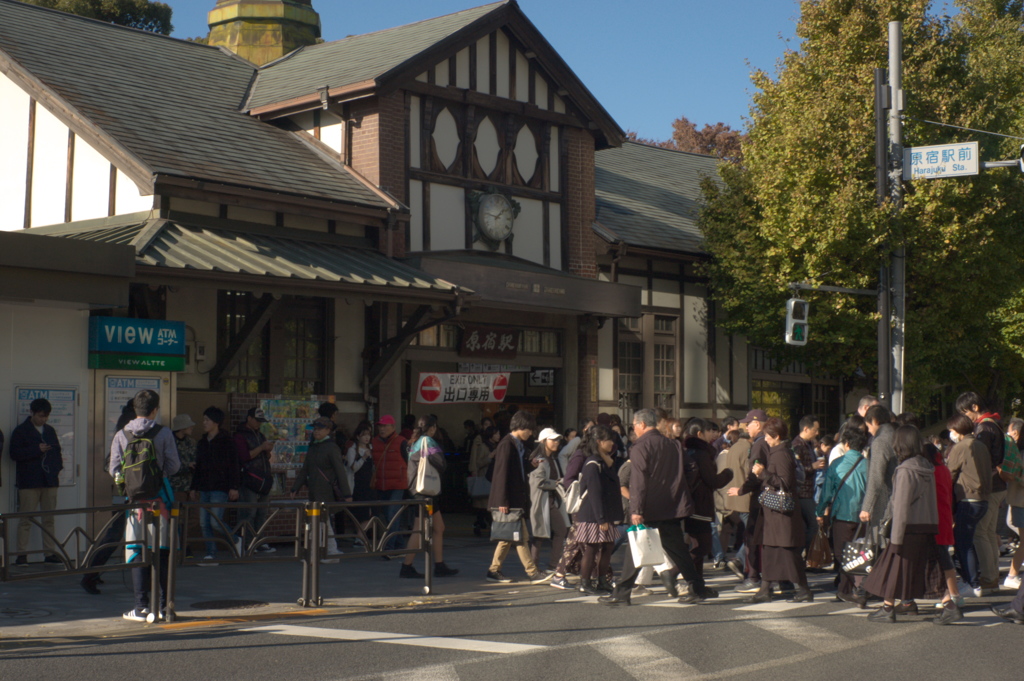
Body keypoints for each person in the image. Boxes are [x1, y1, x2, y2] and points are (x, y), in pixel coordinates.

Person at [600, 408, 713, 606]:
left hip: (649, 506)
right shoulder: (672, 444)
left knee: (636, 548)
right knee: (678, 549)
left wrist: (636, 509)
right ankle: (697, 587)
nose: (634, 429)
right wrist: (680, 487)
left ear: (642, 425)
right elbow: (691, 468)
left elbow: (639, 480)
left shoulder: (640, 446)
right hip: (672, 505)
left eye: (634, 425)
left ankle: (622, 592)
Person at [109, 389, 180, 622]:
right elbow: (174, 465)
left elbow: (114, 469)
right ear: (155, 410)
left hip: (135, 506)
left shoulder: (122, 434)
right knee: (162, 551)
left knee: (137, 551)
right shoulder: (163, 433)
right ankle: (164, 606)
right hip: (161, 502)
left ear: (135, 408)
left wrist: (128, 486)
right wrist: (159, 478)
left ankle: (140, 607)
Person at [863, 425, 938, 622]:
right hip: (926, 525)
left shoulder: (905, 470)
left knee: (892, 568)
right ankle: (905, 603)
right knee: (916, 568)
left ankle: (888, 608)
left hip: (907, 528)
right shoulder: (926, 466)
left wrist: (895, 538)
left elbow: (901, 507)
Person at [737, 417, 811, 603]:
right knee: (770, 551)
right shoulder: (777, 452)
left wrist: (763, 473)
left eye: (768, 436)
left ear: (776, 436)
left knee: (787, 551)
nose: (766, 439)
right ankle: (765, 589)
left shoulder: (781, 454)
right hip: (774, 513)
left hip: (781, 514)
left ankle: (802, 589)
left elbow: (785, 483)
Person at [486, 410, 549, 584]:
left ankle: (493, 570)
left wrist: (531, 465)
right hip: (509, 500)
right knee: (520, 537)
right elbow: (501, 474)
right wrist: (502, 501)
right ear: (521, 427)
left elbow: (515, 472)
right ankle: (532, 572)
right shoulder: (507, 445)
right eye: (529, 429)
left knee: (509, 537)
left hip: (513, 499)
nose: (530, 433)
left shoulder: (515, 445)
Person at [80, 400, 135, 593]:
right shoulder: (131, 426)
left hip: (120, 490)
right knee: (115, 534)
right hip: (127, 492)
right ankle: (90, 575)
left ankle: (93, 572)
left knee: (115, 533)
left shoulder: (123, 424)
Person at [955, 392, 1006, 595]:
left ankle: (988, 577)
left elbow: (980, 461)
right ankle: (991, 576)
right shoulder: (994, 424)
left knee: (981, 534)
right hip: (997, 486)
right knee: (989, 533)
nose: (966, 417)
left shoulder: (983, 428)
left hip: (989, 487)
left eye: (966, 412)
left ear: (975, 407)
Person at [816, 416, 868, 605]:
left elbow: (826, 493)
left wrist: (820, 511)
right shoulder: (867, 465)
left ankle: (849, 590)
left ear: (846, 443)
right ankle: (854, 589)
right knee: (861, 553)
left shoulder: (837, 465)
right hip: (863, 517)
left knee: (842, 554)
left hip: (842, 516)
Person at [401, 414, 458, 578]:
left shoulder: (415, 442)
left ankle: (439, 565)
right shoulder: (428, 441)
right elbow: (441, 463)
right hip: (425, 492)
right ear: (432, 428)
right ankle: (406, 566)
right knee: (419, 529)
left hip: (419, 490)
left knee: (438, 528)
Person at [10, 398, 63, 565]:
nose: (44, 419)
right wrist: (35, 450)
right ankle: (22, 554)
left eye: (46, 416)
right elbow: (14, 454)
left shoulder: (50, 430)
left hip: (49, 480)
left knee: (49, 518)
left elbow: (57, 452)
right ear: (32, 413)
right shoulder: (21, 431)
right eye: (41, 416)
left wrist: (55, 470)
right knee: (26, 518)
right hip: (29, 481)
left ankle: (49, 553)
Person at [682, 418, 733, 585]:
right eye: (709, 431)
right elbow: (712, 481)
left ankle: (697, 584)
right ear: (699, 434)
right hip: (701, 504)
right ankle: (675, 571)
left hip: (690, 504)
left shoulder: (687, 451)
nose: (713, 434)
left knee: (697, 544)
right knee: (703, 546)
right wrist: (728, 473)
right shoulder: (701, 453)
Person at [291, 417, 351, 557]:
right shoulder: (313, 446)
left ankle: (329, 550)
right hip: (314, 491)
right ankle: (319, 550)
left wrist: (347, 494)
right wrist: (295, 487)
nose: (316, 431)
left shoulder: (331, 447)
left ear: (328, 431)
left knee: (323, 522)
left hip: (325, 492)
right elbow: (306, 468)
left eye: (320, 428)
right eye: (315, 428)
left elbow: (340, 471)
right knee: (316, 522)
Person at [945, 412, 992, 596]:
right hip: (983, 500)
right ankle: (973, 581)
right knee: (968, 541)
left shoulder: (961, 447)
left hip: (968, 499)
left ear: (957, 430)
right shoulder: (980, 445)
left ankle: (972, 583)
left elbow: (950, 475)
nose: (950, 434)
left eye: (951, 430)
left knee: (963, 544)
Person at [573, 425, 623, 595]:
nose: (612, 444)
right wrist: (601, 519)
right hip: (594, 514)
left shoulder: (604, 461)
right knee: (592, 548)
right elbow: (594, 493)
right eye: (609, 440)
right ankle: (585, 582)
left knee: (607, 546)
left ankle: (602, 581)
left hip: (604, 513)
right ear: (600, 442)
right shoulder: (593, 464)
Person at [190, 406, 240, 563]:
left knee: (215, 521)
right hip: (204, 487)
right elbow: (198, 466)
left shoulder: (227, 441)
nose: (204, 423)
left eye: (207, 420)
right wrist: (193, 487)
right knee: (204, 522)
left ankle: (236, 540)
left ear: (216, 422)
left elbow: (234, 465)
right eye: (204, 419)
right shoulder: (202, 442)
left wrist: (234, 486)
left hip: (221, 487)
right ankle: (210, 553)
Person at [731, 409, 770, 593]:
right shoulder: (771, 443)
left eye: (748, 423)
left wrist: (741, 490)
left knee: (752, 538)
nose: (745, 426)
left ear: (757, 424)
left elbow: (754, 475)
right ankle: (775, 579)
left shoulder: (758, 445)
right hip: (770, 498)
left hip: (760, 498)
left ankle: (754, 578)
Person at [235, 407, 276, 553]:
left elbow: (265, 457)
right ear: (249, 419)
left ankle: (259, 541)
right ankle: (247, 543)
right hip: (249, 479)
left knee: (262, 512)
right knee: (249, 512)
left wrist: (267, 451)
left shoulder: (260, 435)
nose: (259, 424)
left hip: (263, 478)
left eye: (261, 421)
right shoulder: (240, 436)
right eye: (257, 421)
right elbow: (244, 456)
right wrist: (261, 447)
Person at [528, 428, 569, 573]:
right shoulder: (539, 458)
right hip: (541, 501)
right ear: (544, 441)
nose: (556, 442)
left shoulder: (551, 458)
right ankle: (537, 568)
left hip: (549, 500)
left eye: (557, 439)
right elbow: (538, 481)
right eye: (553, 440)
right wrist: (557, 484)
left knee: (547, 533)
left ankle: (546, 566)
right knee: (540, 534)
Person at [371, 414, 409, 553]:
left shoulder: (402, 442)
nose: (382, 429)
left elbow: (409, 461)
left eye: (385, 426)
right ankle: (399, 544)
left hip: (398, 484)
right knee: (387, 515)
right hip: (381, 484)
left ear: (393, 427)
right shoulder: (374, 442)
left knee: (392, 514)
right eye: (380, 426)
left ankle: (389, 548)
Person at [859, 405, 897, 525]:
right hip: (902, 495)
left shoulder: (880, 441)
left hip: (886, 500)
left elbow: (876, 476)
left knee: (881, 539)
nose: (869, 430)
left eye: (868, 426)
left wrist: (867, 507)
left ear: (874, 421)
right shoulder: (897, 434)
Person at [792, 415, 823, 552]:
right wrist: (813, 466)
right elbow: (795, 471)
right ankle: (803, 555)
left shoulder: (809, 445)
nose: (817, 433)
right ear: (806, 429)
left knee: (806, 525)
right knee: (812, 525)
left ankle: (803, 557)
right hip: (802, 493)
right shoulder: (797, 446)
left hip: (809, 491)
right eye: (815, 430)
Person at [1002, 418, 1024, 590]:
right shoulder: (1019, 452)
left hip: (1018, 501)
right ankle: (1012, 574)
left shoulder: (1015, 452)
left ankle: (1012, 574)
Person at [469, 425, 499, 536]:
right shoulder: (483, 447)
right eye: (496, 434)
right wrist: (490, 457)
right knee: (485, 506)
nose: (498, 436)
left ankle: (480, 524)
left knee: (486, 507)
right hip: (485, 478)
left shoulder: (496, 446)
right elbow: (478, 463)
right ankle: (482, 524)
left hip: (493, 478)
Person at [345, 422, 375, 532]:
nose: (367, 437)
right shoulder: (352, 450)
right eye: (364, 435)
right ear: (358, 436)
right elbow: (353, 468)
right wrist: (363, 457)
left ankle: (361, 537)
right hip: (358, 486)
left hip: (370, 485)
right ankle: (360, 538)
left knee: (370, 513)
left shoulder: (372, 448)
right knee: (361, 513)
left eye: (369, 435)